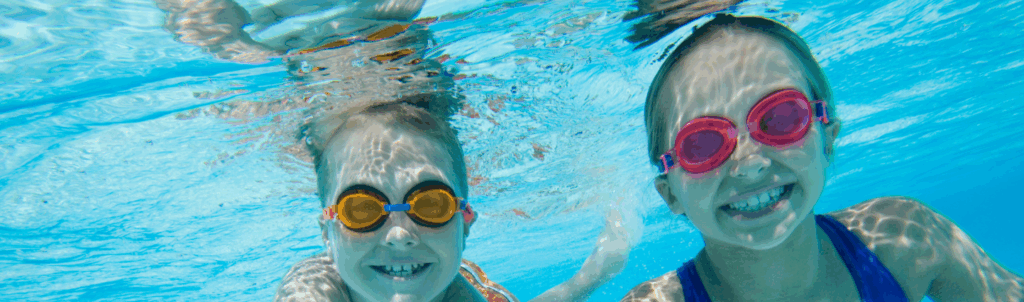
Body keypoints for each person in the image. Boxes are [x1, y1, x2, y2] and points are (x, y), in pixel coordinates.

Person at [155, 0, 632, 301]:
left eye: (431, 204)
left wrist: (596, 270)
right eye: (362, 209)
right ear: (328, 230)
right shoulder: (314, 290)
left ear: (466, 220)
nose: (400, 233)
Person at [619, 2, 1024, 301]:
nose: (750, 164)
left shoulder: (906, 238)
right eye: (703, 144)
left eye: (779, 119)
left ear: (827, 136)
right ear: (670, 193)